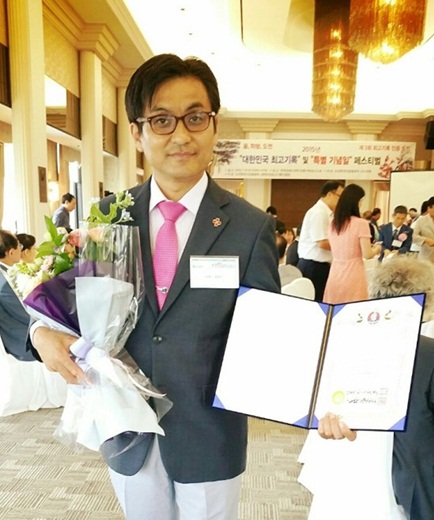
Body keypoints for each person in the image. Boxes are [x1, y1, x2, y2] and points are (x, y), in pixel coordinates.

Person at [31, 53, 280, 520]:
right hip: (126, 425)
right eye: (162, 120)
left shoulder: (250, 228)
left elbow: (269, 330)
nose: (181, 135)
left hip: (209, 431)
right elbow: (70, 304)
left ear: (214, 125)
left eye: (195, 117)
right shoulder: (107, 217)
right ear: (137, 132)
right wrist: (40, 331)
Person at [313, 256, 434, 520]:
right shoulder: (426, 355)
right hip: (408, 487)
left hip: (341, 481)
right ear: (427, 302)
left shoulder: (342, 344)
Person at [323, 184, 381, 304]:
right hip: (353, 272)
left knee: (335, 307)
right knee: (354, 307)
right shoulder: (361, 223)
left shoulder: (333, 223)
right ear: (357, 201)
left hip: (335, 271)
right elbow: (368, 255)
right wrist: (377, 249)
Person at [297, 180, 345, 301]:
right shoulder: (319, 212)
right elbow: (322, 242)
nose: (341, 201)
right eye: (340, 196)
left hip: (319, 266)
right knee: (316, 302)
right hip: (313, 266)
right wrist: (344, 246)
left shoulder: (327, 213)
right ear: (330, 194)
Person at [0, 230, 35, 361]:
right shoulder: (4, 282)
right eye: (19, 246)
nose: (21, 249)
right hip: (22, 342)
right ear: (11, 252)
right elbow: (25, 314)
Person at [412, 195, 434, 261]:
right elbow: (414, 236)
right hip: (426, 257)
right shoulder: (421, 220)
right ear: (429, 208)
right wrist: (425, 240)